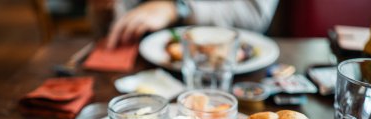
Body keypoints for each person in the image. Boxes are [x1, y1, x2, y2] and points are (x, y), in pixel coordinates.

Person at [106, 0, 279, 49]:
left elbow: (254, 14)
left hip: (238, 71)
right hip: (144, 60)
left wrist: (176, 7)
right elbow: (117, 23)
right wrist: (103, 9)